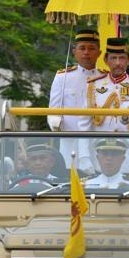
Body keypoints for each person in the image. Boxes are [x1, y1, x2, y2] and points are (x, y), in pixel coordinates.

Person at [78, 37, 129, 174]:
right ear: (105, 60)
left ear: (128, 60)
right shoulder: (93, 85)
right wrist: (84, 156)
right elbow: (84, 124)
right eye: (113, 58)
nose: (117, 63)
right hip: (102, 157)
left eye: (121, 58)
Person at [48, 29, 104, 165]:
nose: (86, 52)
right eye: (82, 48)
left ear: (99, 53)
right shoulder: (63, 77)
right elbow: (53, 110)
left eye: (91, 48)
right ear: (74, 52)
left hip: (100, 144)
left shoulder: (106, 78)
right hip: (70, 142)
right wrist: (55, 125)